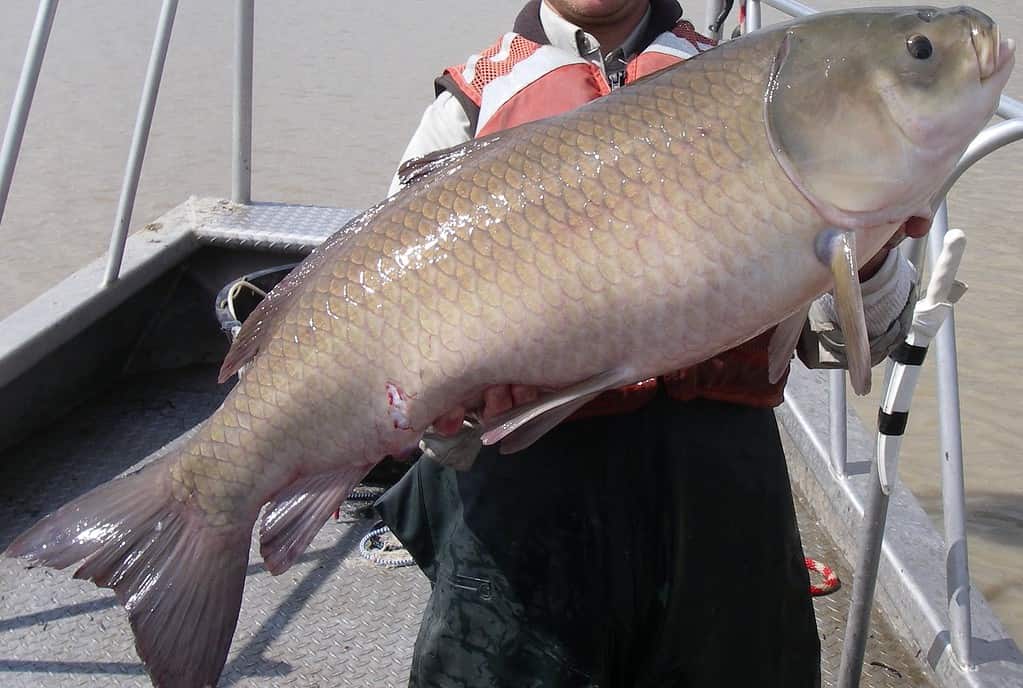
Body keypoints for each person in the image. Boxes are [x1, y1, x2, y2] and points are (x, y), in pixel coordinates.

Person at [376, 1, 926, 685]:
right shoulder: (467, 104)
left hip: (722, 503)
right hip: (525, 507)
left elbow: (863, 340)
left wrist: (868, 250)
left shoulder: (767, 89)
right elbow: (423, 409)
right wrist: (462, 412)